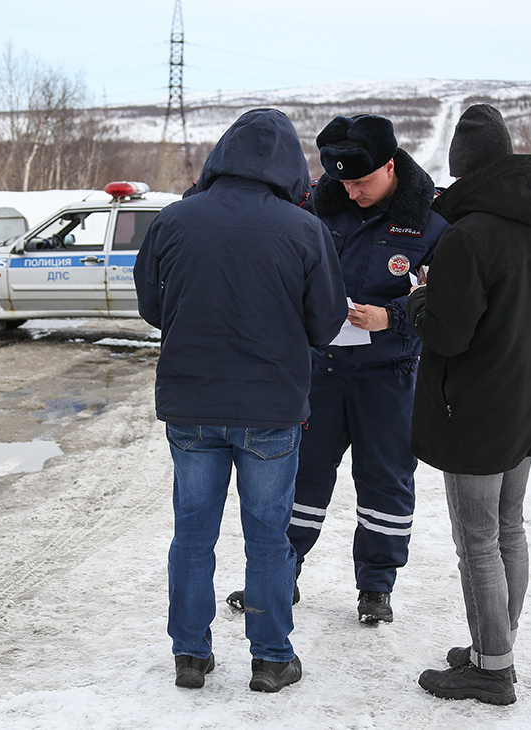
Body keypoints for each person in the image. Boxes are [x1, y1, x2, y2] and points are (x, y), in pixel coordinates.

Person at [136, 108, 347, 693]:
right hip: (272, 412)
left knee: (193, 534)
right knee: (268, 537)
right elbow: (325, 325)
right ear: (289, 166)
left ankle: (190, 655)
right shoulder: (306, 231)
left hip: (191, 407)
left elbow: (152, 309)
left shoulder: (174, 220)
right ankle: (273, 658)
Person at [229, 114, 447, 624]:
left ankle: (376, 587)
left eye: (362, 180)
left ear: (390, 166)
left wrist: (389, 318)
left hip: (389, 378)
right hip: (319, 372)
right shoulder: (314, 208)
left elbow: (444, 304)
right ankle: (281, 574)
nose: (351, 192)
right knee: (299, 477)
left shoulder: (429, 225)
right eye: (342, 181)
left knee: (385, 482)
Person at [406, 104, 531, 705]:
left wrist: (419, 300)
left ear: (464, 171)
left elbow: (448, 334)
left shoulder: (468, 237)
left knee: (477, 538)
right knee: (509, 527)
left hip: (477, 410)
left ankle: (491, 670)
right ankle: (494, 645)